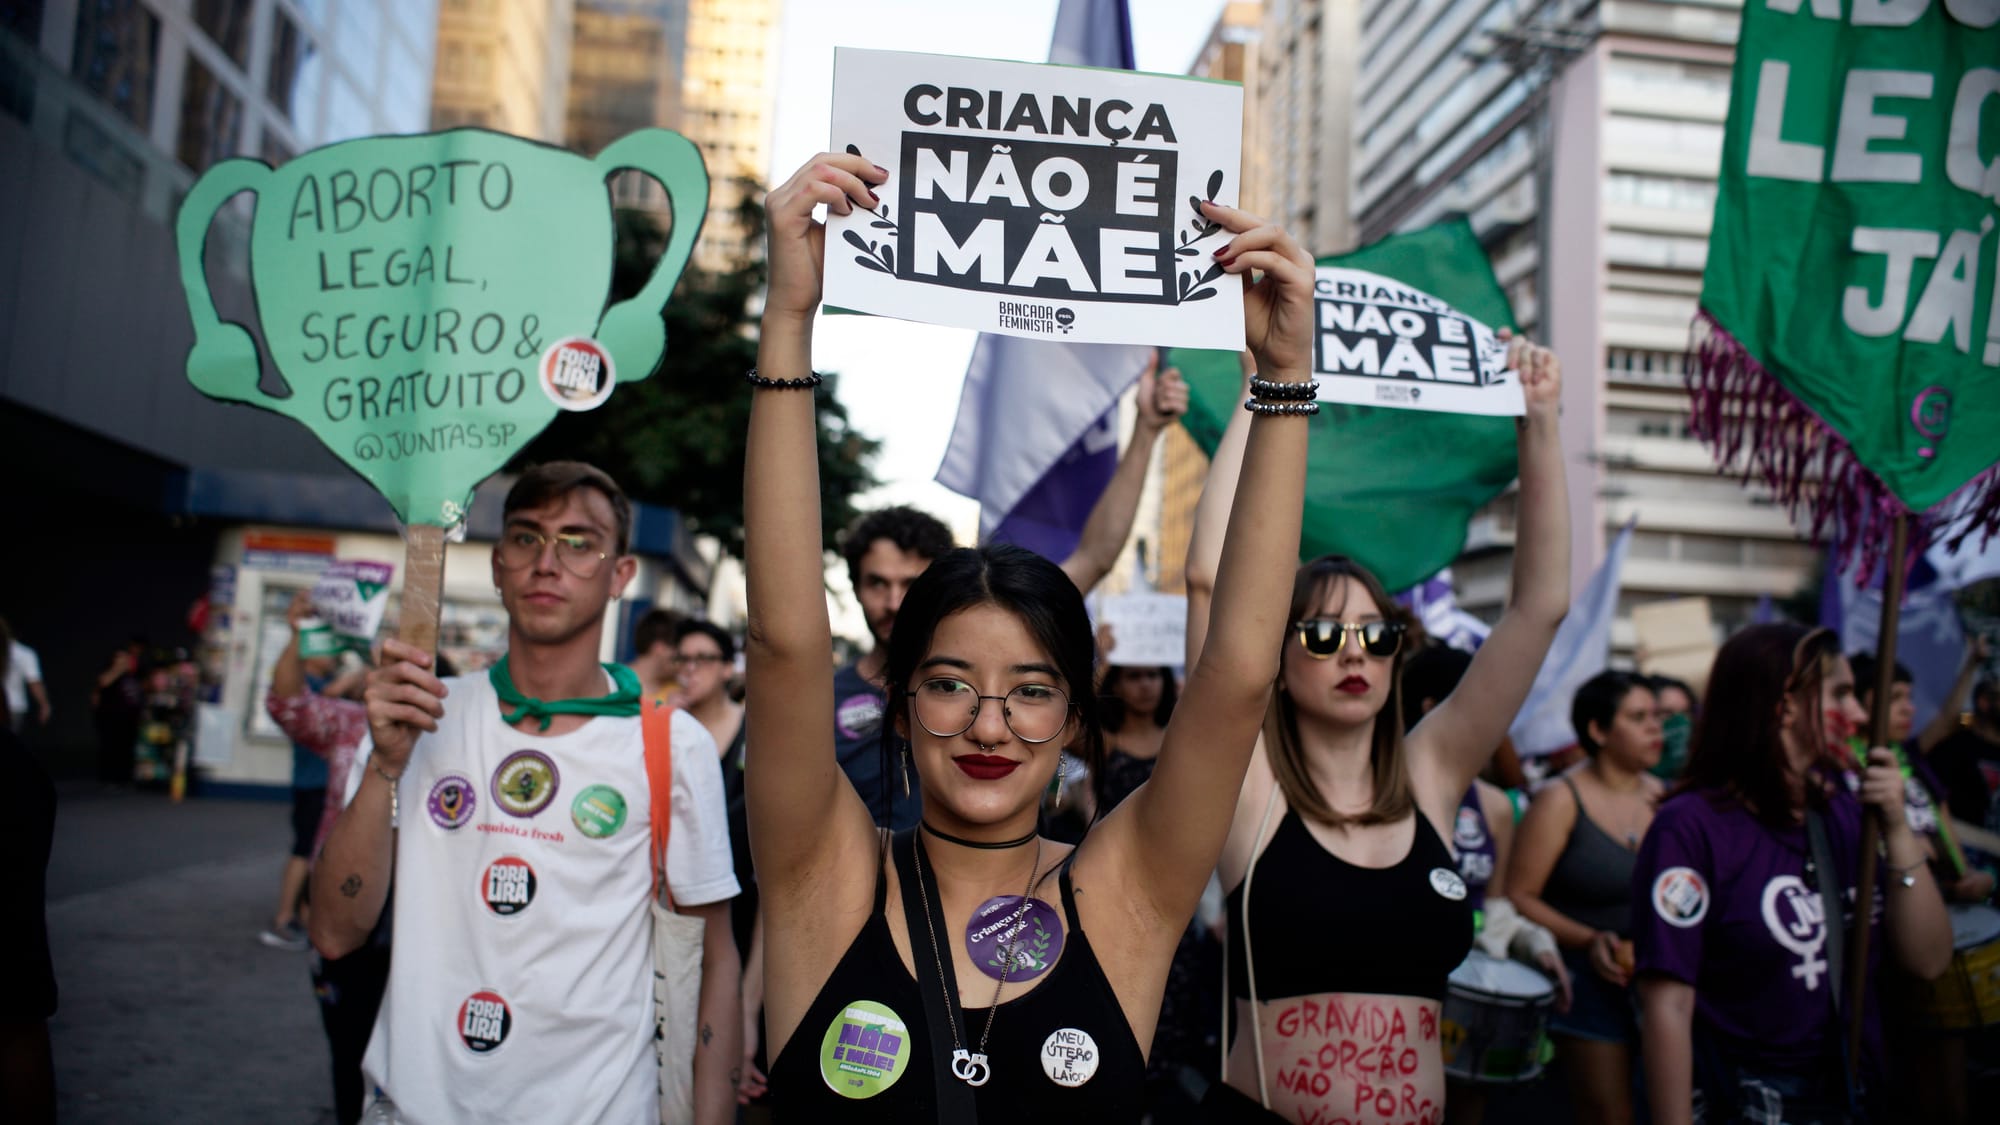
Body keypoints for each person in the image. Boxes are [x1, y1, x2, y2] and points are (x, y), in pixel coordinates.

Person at [745, 150, 1313, 1118]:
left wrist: (1285, 383)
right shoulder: (820, 877)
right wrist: (790, 319)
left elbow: (1238, 674)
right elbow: (787, 641)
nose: (988, 724)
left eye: (1031, 689)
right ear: (900, 697)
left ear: (1071, 716)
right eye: (950, 683)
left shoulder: (1125, 889)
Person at [1191, 329, 1571, 1123]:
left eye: (1377, 632)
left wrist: (1540, 421)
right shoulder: (1251, 792)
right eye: (1324, 635)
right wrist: (1262, 397)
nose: (1353, 652)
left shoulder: (1431, 775)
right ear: (1278, 657)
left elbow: (1538, 609)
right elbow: (1207, 581)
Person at [308, 462, 742, 1124]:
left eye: (578, 541)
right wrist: (384, 767)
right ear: (497, 564)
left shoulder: (673, 743)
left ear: (620, 574)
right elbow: (336, 934)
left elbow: (714, 959)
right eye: (526, 537)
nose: (548, 562)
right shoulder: (420, 716)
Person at [1633, 624, 1953, 1124]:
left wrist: (1897, 826)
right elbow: (1668, 1005)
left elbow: (1930, 961)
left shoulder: (1846, 811)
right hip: (1750, 1103)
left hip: (1856, 1092)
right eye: (1842, 694)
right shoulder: (1689, 829)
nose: (1860, 715)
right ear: (1784, 704)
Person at [267, 619, 426, 1125]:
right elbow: (288, 705)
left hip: (420, 929)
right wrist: (299, 633)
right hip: (345, 914)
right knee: (348, 1050)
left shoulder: (459, 738)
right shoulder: (349, 724)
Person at [1401, 644, 1567, 1125]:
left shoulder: (1495, 805)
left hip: (1472, 990)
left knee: (1467, 1106)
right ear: (1432, 708)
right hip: (1402, 988)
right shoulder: (1381, 786)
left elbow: (1496, 905)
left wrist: (1534, 944)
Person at [1509, 670, 1663, 1125]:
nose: (1656, 728)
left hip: (1652, 980)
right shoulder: (1560, 799)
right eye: (1638, 717)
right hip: (1585, 986)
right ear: (1598, 730)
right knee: (1608, 1113)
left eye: (1657, 716)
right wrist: (1588, 938)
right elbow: (1520, 895)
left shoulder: (1665, 799)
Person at [1848, 647, 1995, 903]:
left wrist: (1971, 877)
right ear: (1856, 703)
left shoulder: (1911, 758)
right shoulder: (1841, 770)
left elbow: (1944, 825)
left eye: (1909, 697)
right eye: (1895, 698)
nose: (1909, 709)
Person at [259, 593, 352, 951]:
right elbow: (296, 702)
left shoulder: (319, 686)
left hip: (318, 785)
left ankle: (300, 915)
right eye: (327, 649)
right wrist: (297, 633)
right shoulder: (311, 686)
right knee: (304, 850)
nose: (332, 657)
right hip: (314, 785)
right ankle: (283, 919)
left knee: (312, 851)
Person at [92, 637, 146, 786]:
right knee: (110, 746)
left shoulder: (135, 673)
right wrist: (119, 668)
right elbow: (103, 682)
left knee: (127, 745)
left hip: (130, 714)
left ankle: (124, 776)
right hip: (112, 714)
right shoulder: (112, 672)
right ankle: (108, 777)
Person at [629, 606, 689, 709]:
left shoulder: (682, 691)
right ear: (659, 648)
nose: (685, 664)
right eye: (680, 656)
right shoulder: (614, 685)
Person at [1, 619, 50, 733]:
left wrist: (44, 704)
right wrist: (44, 704)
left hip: (12, 706)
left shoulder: (23, 653)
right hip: (15, 705)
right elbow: (34, 681)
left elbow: (34, 682)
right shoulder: (24, 653)